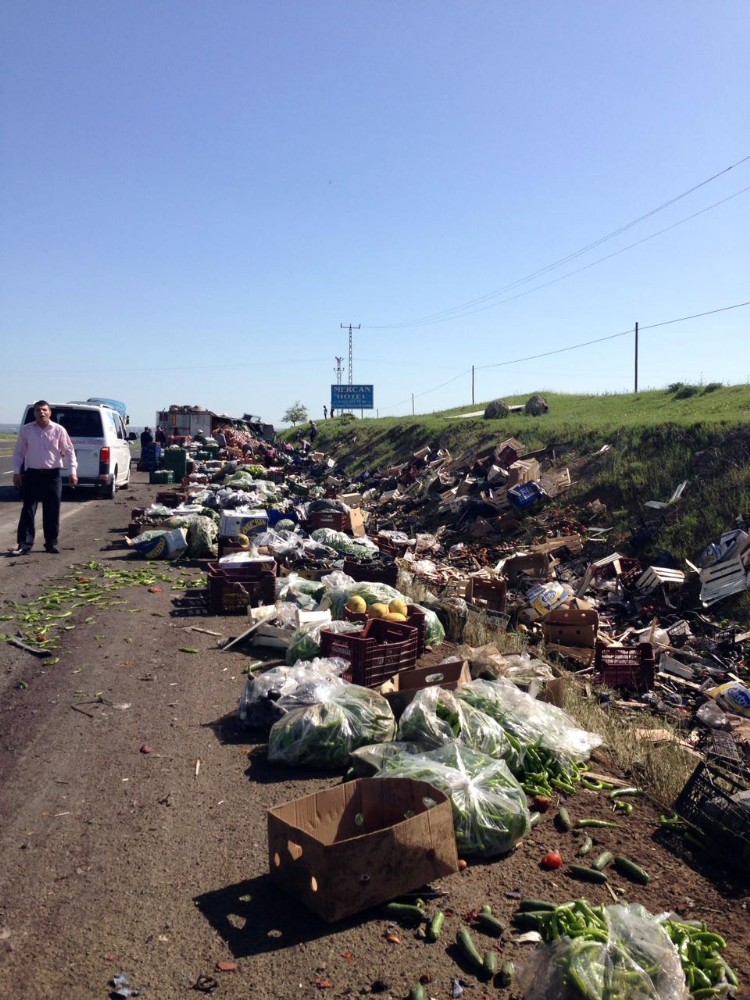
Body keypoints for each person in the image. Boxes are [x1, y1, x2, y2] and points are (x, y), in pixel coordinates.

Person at [11, 400, 78, 555]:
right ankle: (24, 544)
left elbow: (69, 451)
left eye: (44, 410)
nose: (41, 413)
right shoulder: (27, 430)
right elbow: (19, 452)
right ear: (34, 413)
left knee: (52, 509)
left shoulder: (59, 430)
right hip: (32, 474)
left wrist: (73, 472)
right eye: (38, 410)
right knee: (28, 509)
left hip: (52, 475)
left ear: (50, 413)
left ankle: (51, 543)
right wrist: (16, 472)